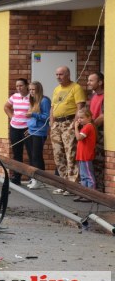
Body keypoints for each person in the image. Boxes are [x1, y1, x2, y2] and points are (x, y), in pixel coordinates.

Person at [49, 66, 86, 195]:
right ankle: (63, 183)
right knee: (58, 154)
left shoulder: (76, 88)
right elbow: (53, 107)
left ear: (68, 75)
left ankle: (72, 185)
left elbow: (80, 107)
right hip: (57, 125)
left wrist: (74, 124)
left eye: (61, 74)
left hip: (68, 122)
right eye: (57, 74)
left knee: (71, 153)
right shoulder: (56, 89)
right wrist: (52, 123)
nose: (58, 77)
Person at [3, 78, 30, 185]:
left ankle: (33, 178)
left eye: (21, 85)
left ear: (27, 85)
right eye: (17, 86)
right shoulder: (14, 96)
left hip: (27, 129)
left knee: (31, 153)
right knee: (17, 153)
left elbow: (37, 111)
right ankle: (16, 177)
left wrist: (32, 126)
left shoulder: (32, 97)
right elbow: (6, 107)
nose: (19, 88)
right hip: (15, 128)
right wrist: (12, 117)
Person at [25, 81, 51, 190]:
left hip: (39, 132)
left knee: (37, 156)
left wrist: (33, 114)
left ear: (38, 90)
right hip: (32, 130)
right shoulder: (32, 100)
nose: (31, 92)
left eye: (33, 89)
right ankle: (34, 178)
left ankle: (40, 179)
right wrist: (29, 127)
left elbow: (47, 117)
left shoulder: (44, 100)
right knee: (32, 155)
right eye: (30, 89)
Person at [73, 108, 96, 202]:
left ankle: (91, 195)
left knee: (88, 176)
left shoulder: (88, 127)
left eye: (82, 118)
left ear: (89, 117)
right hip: (81, 155)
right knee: (83, 176)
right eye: (78, 118)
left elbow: (79, 137)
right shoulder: (84, 127)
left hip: (86, 156)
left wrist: (75, 127)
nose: (79, 120)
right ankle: (84, 194)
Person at [87, 71, 104, 191]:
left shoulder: (106, 96)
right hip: (92, 132)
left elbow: (103, 116)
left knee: (99, 163)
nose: (88, 83)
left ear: (100, 82)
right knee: (92, 162)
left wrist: (90, 127)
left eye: (91, 80)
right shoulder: (93, 96)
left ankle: (99, 192)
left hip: (100, 133)